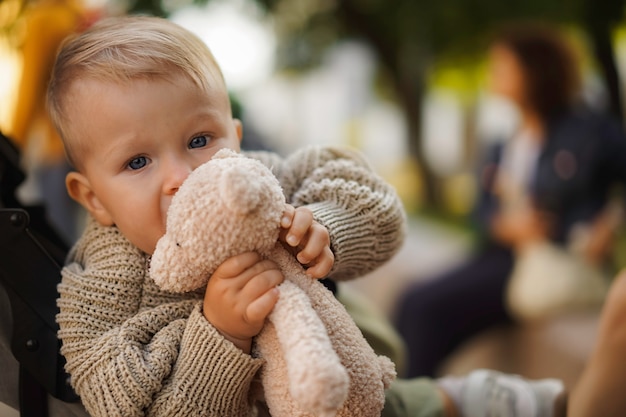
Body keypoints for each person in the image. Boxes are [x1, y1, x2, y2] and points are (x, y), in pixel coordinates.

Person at [45, 15, 566, 417]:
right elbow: (124, 405)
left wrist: (327, 226)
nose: (180, 176)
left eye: (200, 140)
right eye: (138, 162)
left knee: (402, 407)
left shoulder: (264, 179)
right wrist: (220, 336)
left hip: (353, 377)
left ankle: (466, 397)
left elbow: (377, 206)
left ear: (237, 137)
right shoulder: (99, 291)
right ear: (92, 198)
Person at [395, 22, 626, 379]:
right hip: (501, 256)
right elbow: (480, 211)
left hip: (548, 259)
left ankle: (413, 401)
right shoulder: (504, 141)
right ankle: (412, 396)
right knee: (412, 301)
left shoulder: (590, 132)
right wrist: (504, 224)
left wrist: (610, 222)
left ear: (535, 72)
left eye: (503, 66)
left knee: (424, 308)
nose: (493, 75)